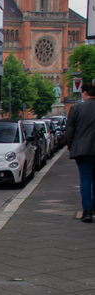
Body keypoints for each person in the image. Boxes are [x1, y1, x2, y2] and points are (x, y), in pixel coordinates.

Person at [65, 82, 95, 223]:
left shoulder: (76, 109)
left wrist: (71, 146)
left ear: (84, 93)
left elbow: (69, 131)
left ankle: (87, 211)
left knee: (85, 178)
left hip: (83, 150)